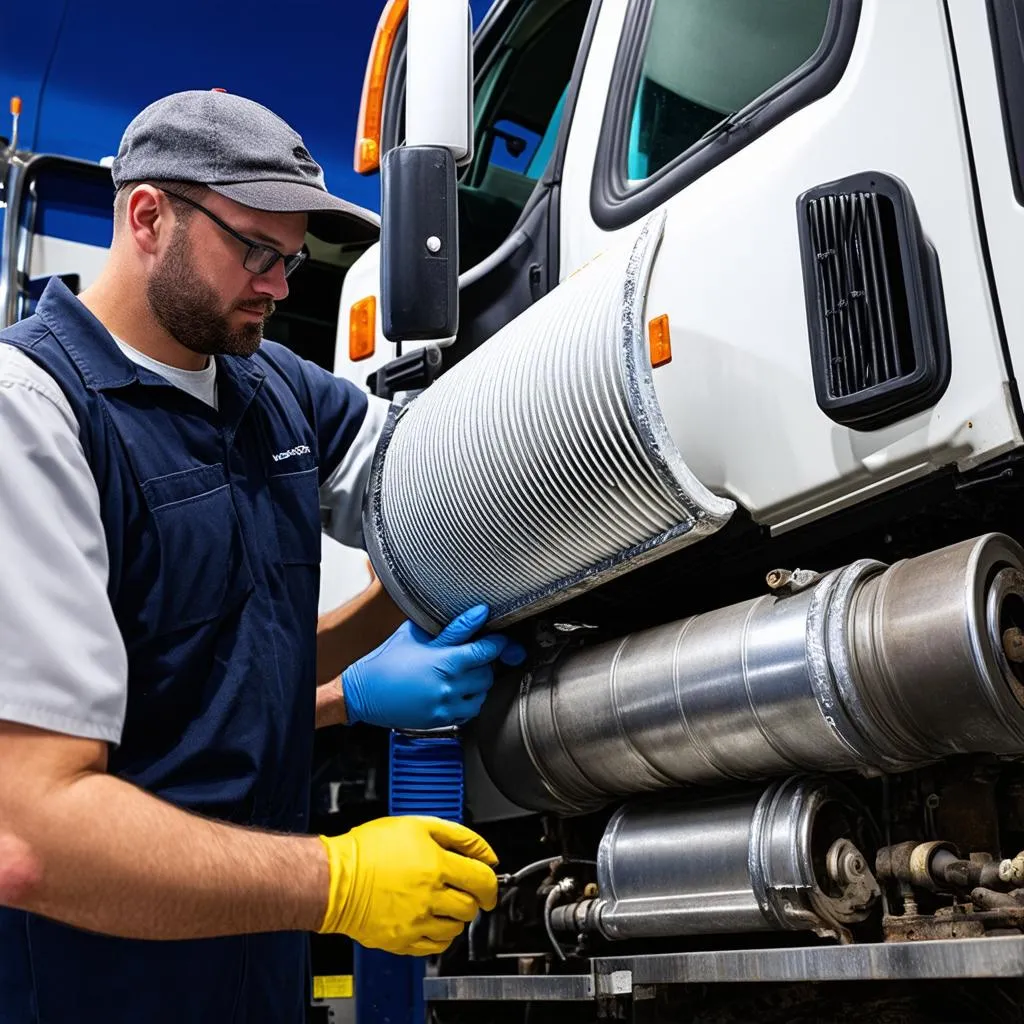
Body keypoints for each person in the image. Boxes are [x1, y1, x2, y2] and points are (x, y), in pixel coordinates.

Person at [0, 90, 526, 1023]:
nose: (280, 287)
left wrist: (423, 592)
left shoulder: (273, 388)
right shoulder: (34, 416)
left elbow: (231, 648)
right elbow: (29, 830)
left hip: (255, 979)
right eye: (255, 251)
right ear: (148, 216)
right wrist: (338, 882)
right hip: (99, 986)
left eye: (290, 259)